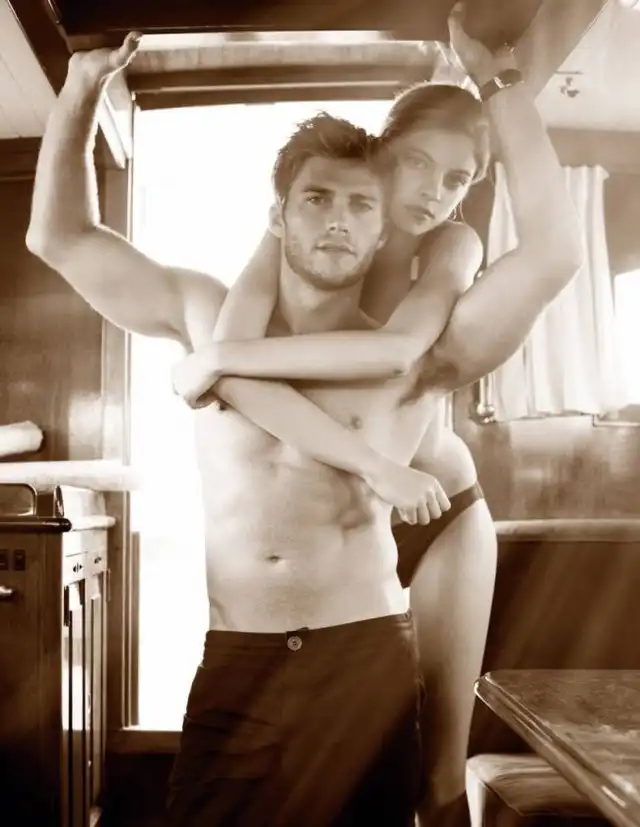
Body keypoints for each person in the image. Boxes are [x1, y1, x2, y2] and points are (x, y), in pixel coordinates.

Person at [25, 38, 467, 827]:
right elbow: (58, 238)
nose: (338, 221)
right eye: (317, 198)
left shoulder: (398, 353)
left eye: (361, 205)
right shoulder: (204, 310)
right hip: (240, 657)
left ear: (382, 232)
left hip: (363, 657)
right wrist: (83, 85)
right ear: (278, 214)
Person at [169, 6, 583, 824]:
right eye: (416, 163)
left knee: (436, 779)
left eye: (457, 179)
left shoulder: (450, 255)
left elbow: (551, 257)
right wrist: (215, 359)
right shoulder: (296, 244)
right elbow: (229, 350)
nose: (432, 190)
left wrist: (498, 80)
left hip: (439, 513)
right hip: (340, 531)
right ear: (378, 154)